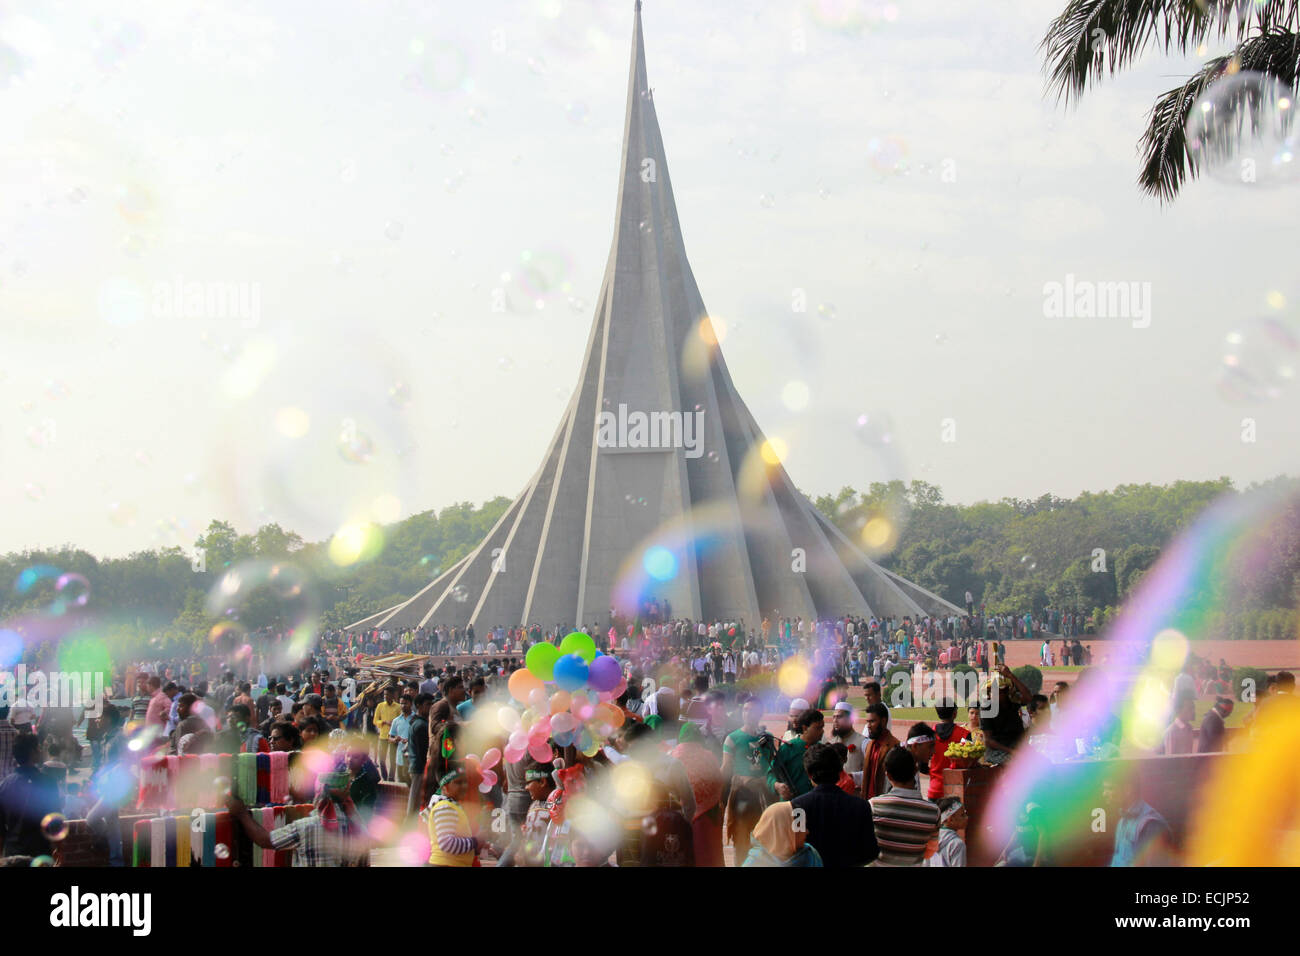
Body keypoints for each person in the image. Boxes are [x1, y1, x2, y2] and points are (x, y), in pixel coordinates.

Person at [226, 773, 369, 867]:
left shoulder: (305, 827)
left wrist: (242, 814)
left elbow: (265, 840)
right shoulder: (358, 827)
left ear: (319, 791)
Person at [790, 742, 877, 867]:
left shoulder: (797, 806)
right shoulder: (861, 806)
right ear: (838, 770)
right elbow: (870, 852)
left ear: (809, 774)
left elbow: (794, 850)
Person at [720, 696, 774, 864]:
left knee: (766, 841)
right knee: (741, 842)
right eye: (745, 710)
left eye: (752, 710)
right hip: (742, 797)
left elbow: (761, 763)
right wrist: (719, 795)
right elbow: (726, 769)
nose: (747, 714)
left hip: (765, 795)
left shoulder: (767, 738)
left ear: (760, 713)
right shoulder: (733, 738)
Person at [868, 747, 939, 866]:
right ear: (915, 770)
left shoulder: (874, 806)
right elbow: (930, 852)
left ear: (888, 776)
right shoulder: (933, 812)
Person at [0, 734, 62, 858]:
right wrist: (59, 850)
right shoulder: (48, 782)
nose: (41, 750)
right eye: (38, 748)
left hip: (12, 854)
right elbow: (55, 822)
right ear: (32, 752)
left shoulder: (5, 785)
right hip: (40, 852)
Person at [427, 763, 491, 867]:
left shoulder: (452, 805)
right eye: (458, 782)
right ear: (445, 788)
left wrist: (476, 846)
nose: (464, 786)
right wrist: (475, 841)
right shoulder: (445, 807)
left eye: (465, 782)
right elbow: (447, 844)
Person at [1103, 774, 1174, 866]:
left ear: (1127, 790)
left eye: (1110, 788)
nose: (1104, 794)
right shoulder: (1122, 821)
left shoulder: (1150, 825)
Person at [740, 801, 822, 867]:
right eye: (800, 828)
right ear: (783, 831)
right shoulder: (754, 863)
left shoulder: (810, 856)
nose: (807, 831)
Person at [770, 709, 823, 800]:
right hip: (791, 805)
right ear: (805, 728)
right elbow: (771, 772)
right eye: (818, 728)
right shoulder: (788, 748)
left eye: (822, 727)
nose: (822, 731)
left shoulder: (822, 749)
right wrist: (777, 785)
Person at [927, 701, 970, 800]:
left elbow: (922, 766)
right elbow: (968, 762)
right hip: (955, 790)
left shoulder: (929, 735)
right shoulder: (965, 734)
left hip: (934, 789)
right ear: (955, 713)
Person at [860, 703, 899, 799]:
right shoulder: (870, 745)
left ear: (883, 721)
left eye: (872, 721)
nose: (868, 726)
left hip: (885, 803)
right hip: (869, 803)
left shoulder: (895, 746)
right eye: (867, 722)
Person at [406, 694, 433, 817]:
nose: (430, 707)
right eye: (428, 705)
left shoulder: (418, 722)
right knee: (415, 803)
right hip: (419, 768)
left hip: (417, 767)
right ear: (419, 706)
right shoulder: (421, 725)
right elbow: (423, 752)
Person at [925, 798, 968, 867]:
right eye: (962, 815)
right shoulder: (957, 844)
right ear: (951, 819)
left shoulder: (930, 840)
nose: (967, 817)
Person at [829, 701, 865, 776]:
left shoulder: (863, 742)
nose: (835, 720)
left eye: (839, 717)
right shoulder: (831, 743)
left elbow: (868, 772)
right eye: (834, 717)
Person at [373, 686, 401, 781]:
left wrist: (393, 722)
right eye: (385, 694)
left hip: (393, 736)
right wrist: (384, 722)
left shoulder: (398, 707)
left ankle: (391, 778)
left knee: (392, 760)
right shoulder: (380, 706)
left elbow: (400, 721)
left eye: (388, 694)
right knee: (381, 760)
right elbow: (375, 720)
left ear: (393, 695)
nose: (386, 696)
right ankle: (385, 778)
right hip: (383, 735)